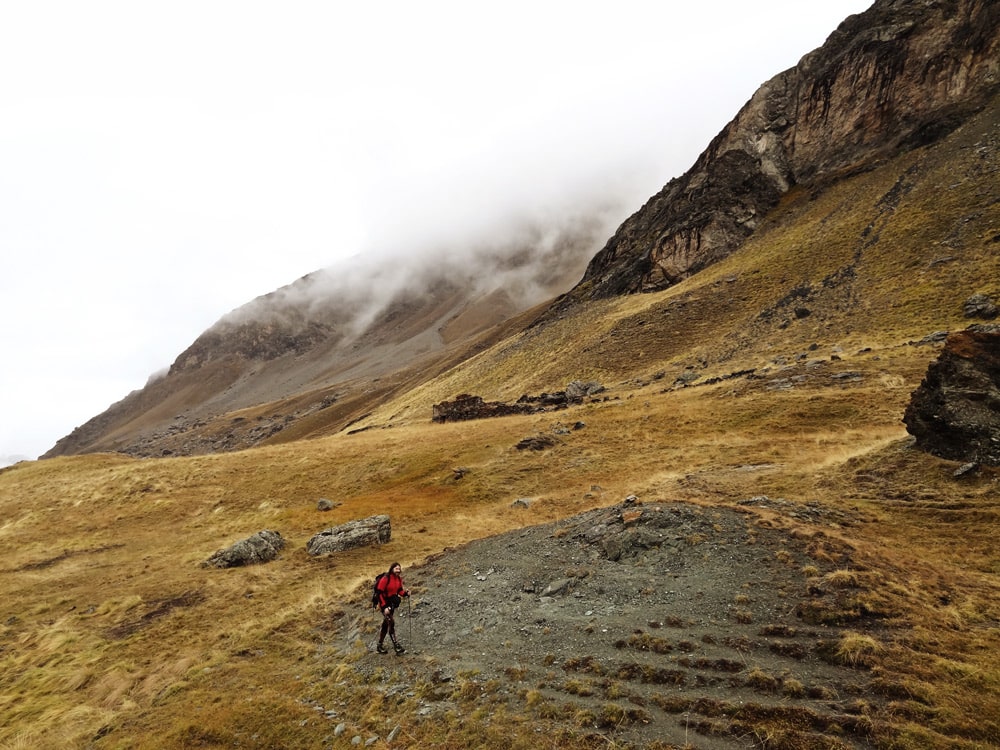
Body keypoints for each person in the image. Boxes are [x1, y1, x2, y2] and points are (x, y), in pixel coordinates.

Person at [374, 561, 409, 654]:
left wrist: (405, 594)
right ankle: (397, 647)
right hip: (384, 604)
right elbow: (379, 593)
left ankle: (379, 646)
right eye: (396, 568)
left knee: (386, 625)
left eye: (399, 568)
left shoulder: (398, 579)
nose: (398, 570)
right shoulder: (386, 578)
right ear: (392, 569)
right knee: (391, 622)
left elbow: (399, 591)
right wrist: (384, 606)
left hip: (392, 604)